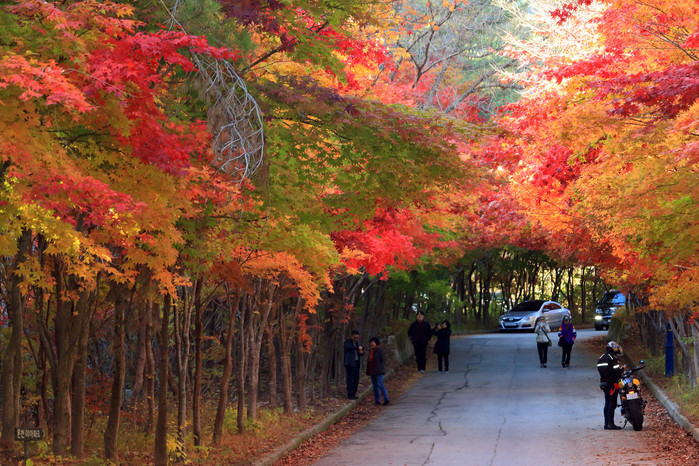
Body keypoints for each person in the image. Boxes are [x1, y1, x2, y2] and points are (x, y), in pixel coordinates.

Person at [597, 341, 625, 430]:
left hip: (604, 383)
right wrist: (622, 369)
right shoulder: (612, 358)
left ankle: (606, 423)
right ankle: (610, 424)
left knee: (607, 403)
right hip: (612, 383)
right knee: (612, 404)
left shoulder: (602, 357)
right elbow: (616, 371)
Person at [366, 337, 390, 406]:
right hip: (372, 370)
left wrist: (381, 367)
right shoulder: (371, 351)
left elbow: (383, 360)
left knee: (380, 384)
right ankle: (377, 400)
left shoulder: (379, 351)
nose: (372, 344)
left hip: (379, 370)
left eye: (373, 342)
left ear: (376, 343)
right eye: (371, 342)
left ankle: (386, 399)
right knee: (375, 386)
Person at [343, 330, 363, 400]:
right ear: (351, 336)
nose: (356, 339)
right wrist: (357, 348)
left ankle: (354, 393)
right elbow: (349, 347)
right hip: (350, 363)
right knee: (350, 379)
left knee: (356, 379)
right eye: (354, 337)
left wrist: (360, 352)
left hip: (356, 363)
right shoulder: (347, 342)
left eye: (357, 338)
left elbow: (358, 352)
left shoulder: (356, 343)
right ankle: (350, 394)